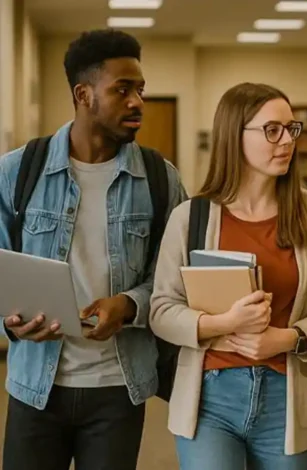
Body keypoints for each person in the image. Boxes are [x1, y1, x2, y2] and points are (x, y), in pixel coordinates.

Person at [0, 29, 187, 470]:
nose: (137, 101)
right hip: (34, 387)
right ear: (84, 94)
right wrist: (9, 323)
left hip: (117, 389)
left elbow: (175, 280)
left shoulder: (162, 181)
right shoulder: (18, 171)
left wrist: (128, 305)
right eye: (122, 89)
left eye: (140, 89)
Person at [149, 82, 307, 470]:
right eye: (271, 130)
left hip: (287, 398)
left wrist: (288, 338)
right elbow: (161, 309)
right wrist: (222, 323)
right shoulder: (191, 217)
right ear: (234, 135)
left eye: (291, 129)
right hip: (210, 397)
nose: (286, 141)